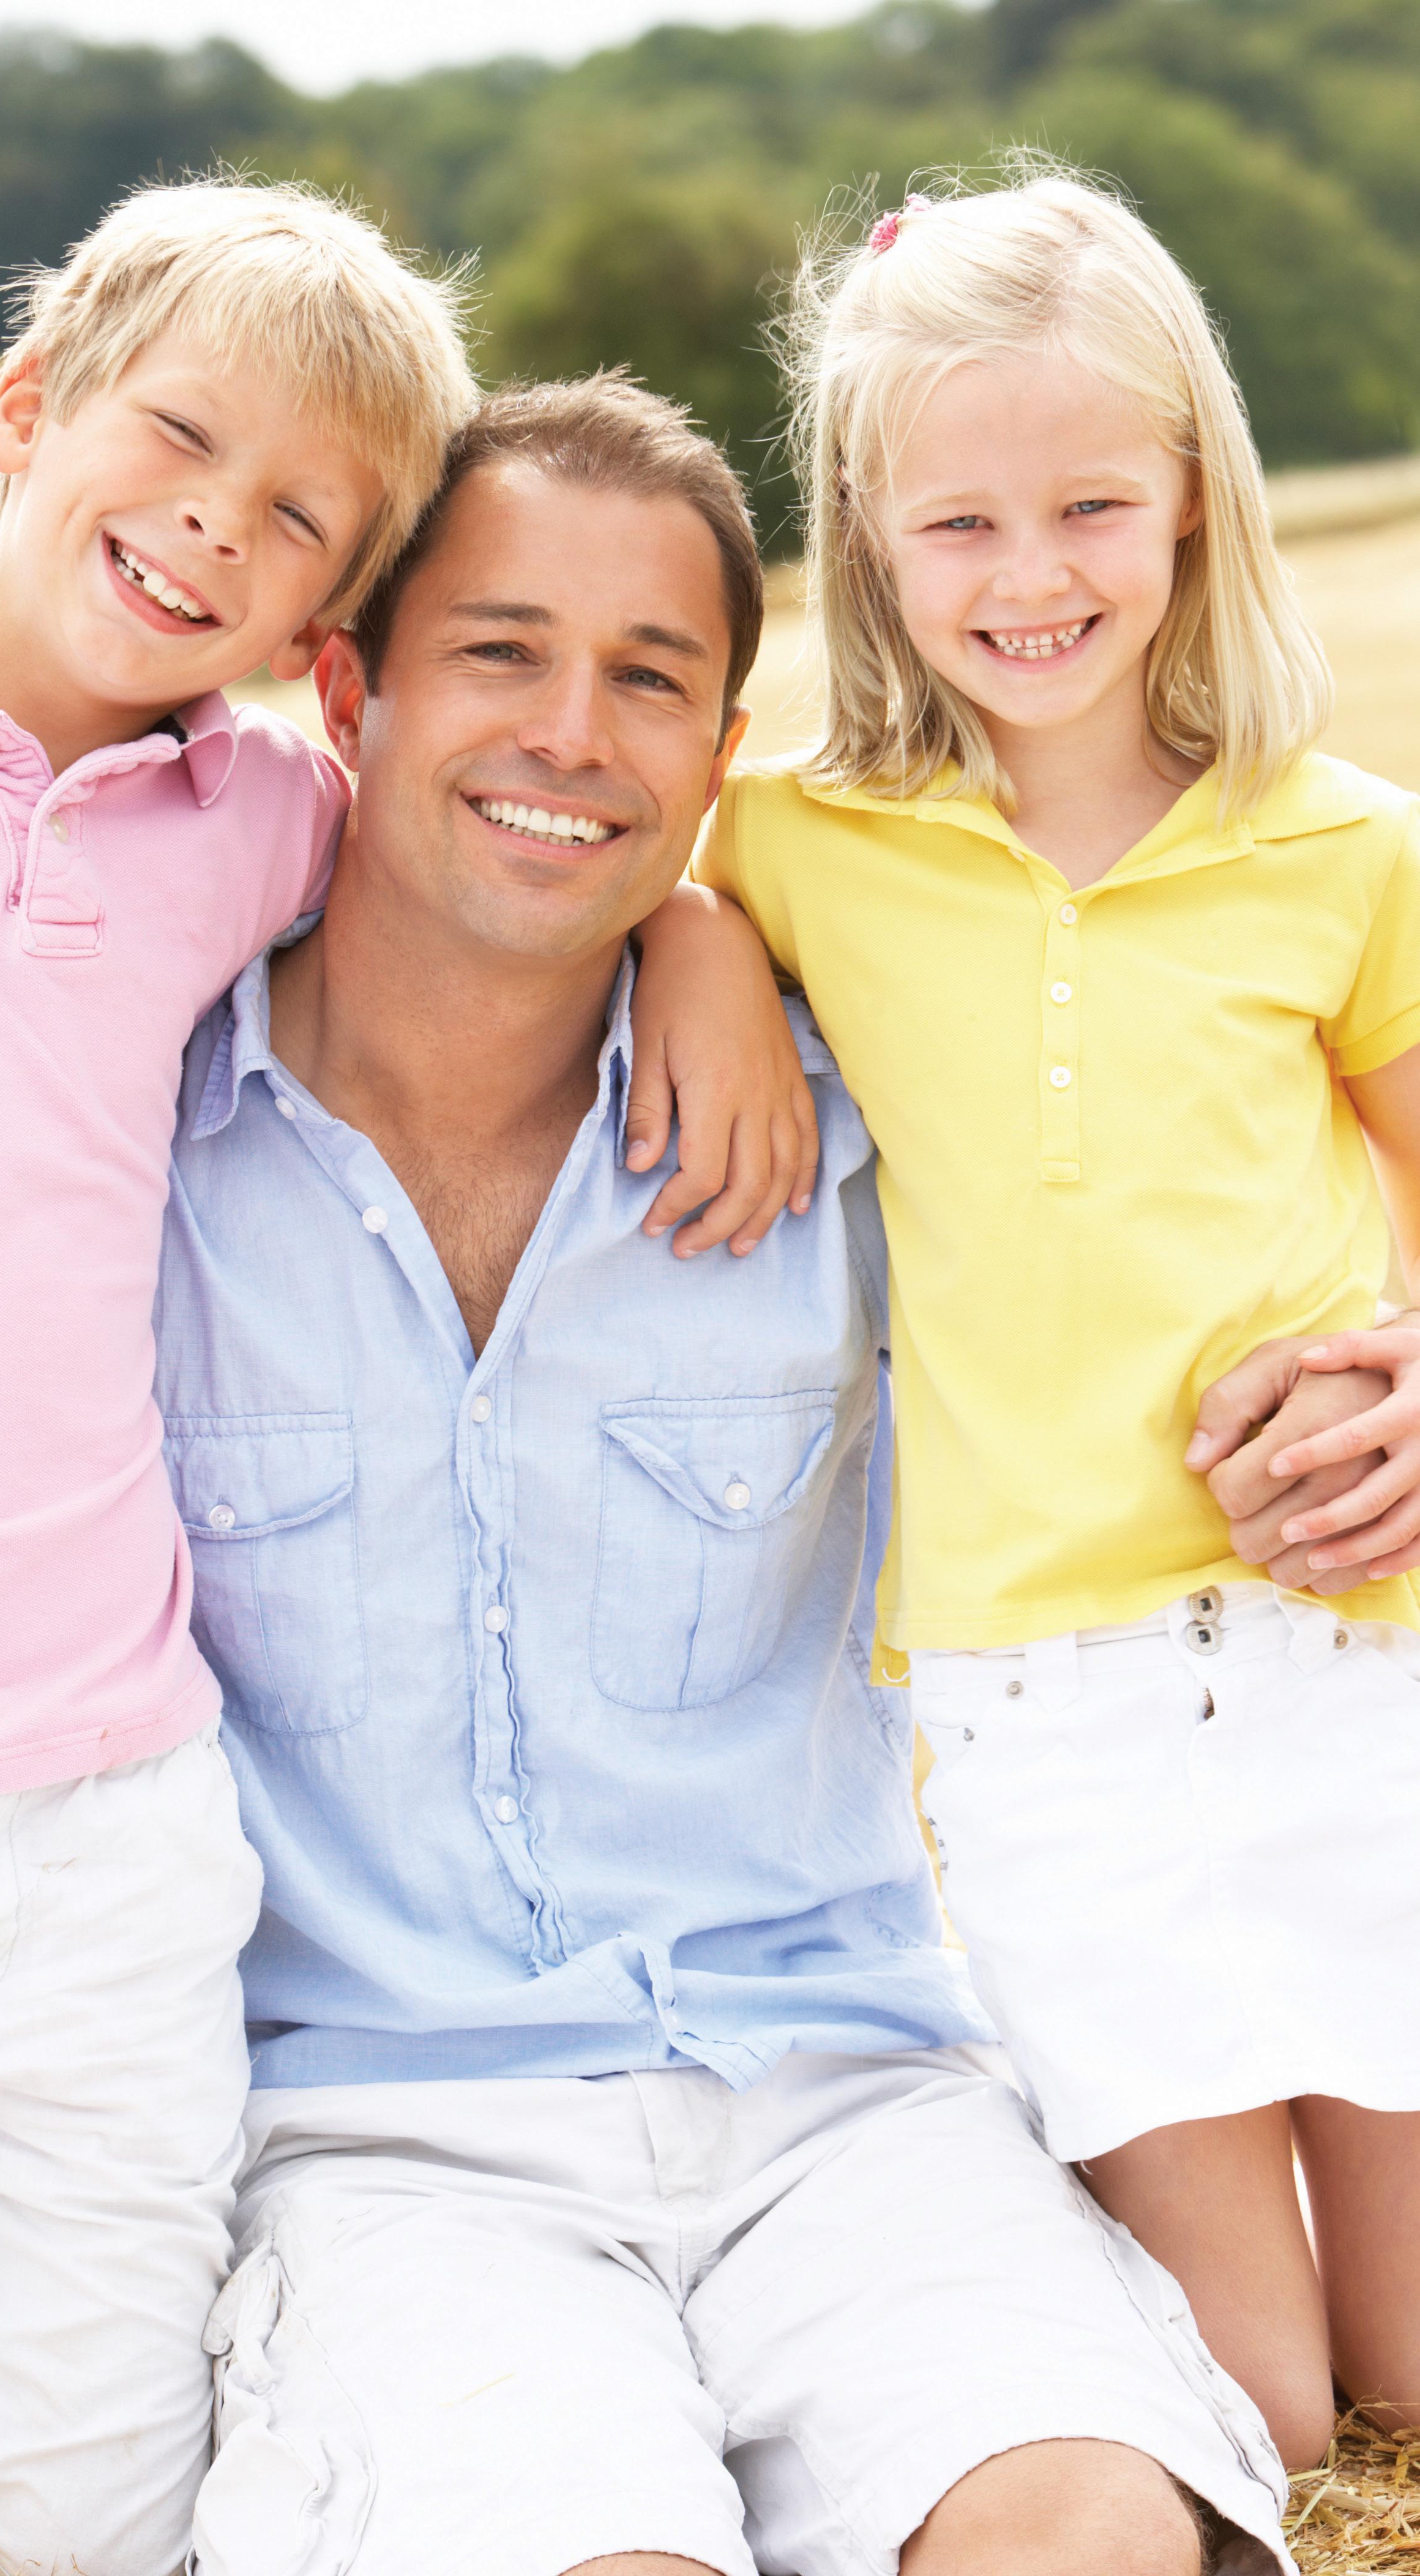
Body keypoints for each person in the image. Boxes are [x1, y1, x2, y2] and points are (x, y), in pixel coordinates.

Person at [0, 376, 1337, 2576]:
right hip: (368, 2134)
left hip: (842, 2085)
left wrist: (1362, 1401)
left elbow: (1197, 1241)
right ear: (341, 694)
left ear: (718, 759)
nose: (571, 734)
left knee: (1088, 2539)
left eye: (650, 680)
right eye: (497, 653)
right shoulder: (119, 1146)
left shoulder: (847, 1128)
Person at [698, 164, 1420, 2471]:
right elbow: (663, 908)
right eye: (960, 525)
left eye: (1091, 505)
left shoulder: (1344, 846)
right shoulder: (782, 851)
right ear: (866, 537)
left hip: (1353, 1649)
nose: (1031, 578)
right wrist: (702, 961)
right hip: (1046, 1709)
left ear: (1193, 493)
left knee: (1412, 2387)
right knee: (1264, 2424)